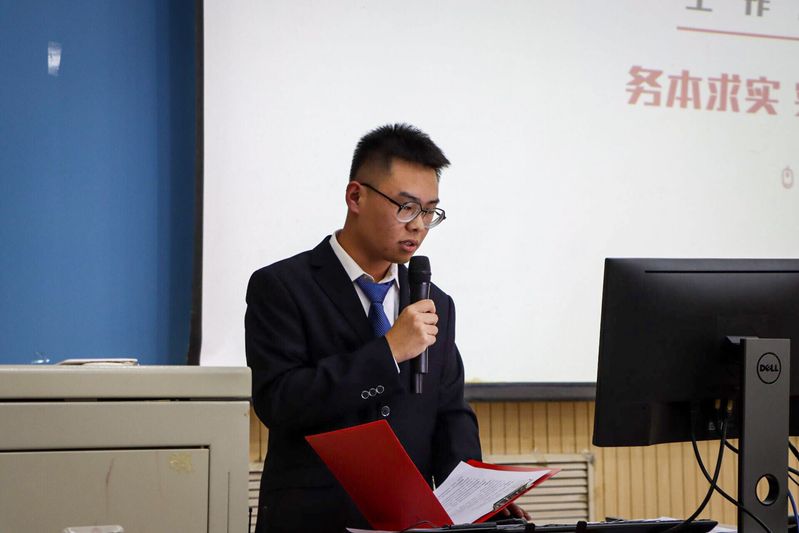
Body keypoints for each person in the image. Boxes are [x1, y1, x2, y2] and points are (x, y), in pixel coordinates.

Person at [246, 124, 525, 533]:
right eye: (406, 207)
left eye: (429, 212)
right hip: (314, 519)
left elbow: (450, 413)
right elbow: (280, 403)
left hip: (408, 522)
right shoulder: (283, 286)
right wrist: (389, 352)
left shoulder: (434, 301)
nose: (418, 225)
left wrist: (479, 500)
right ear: (355, 196)